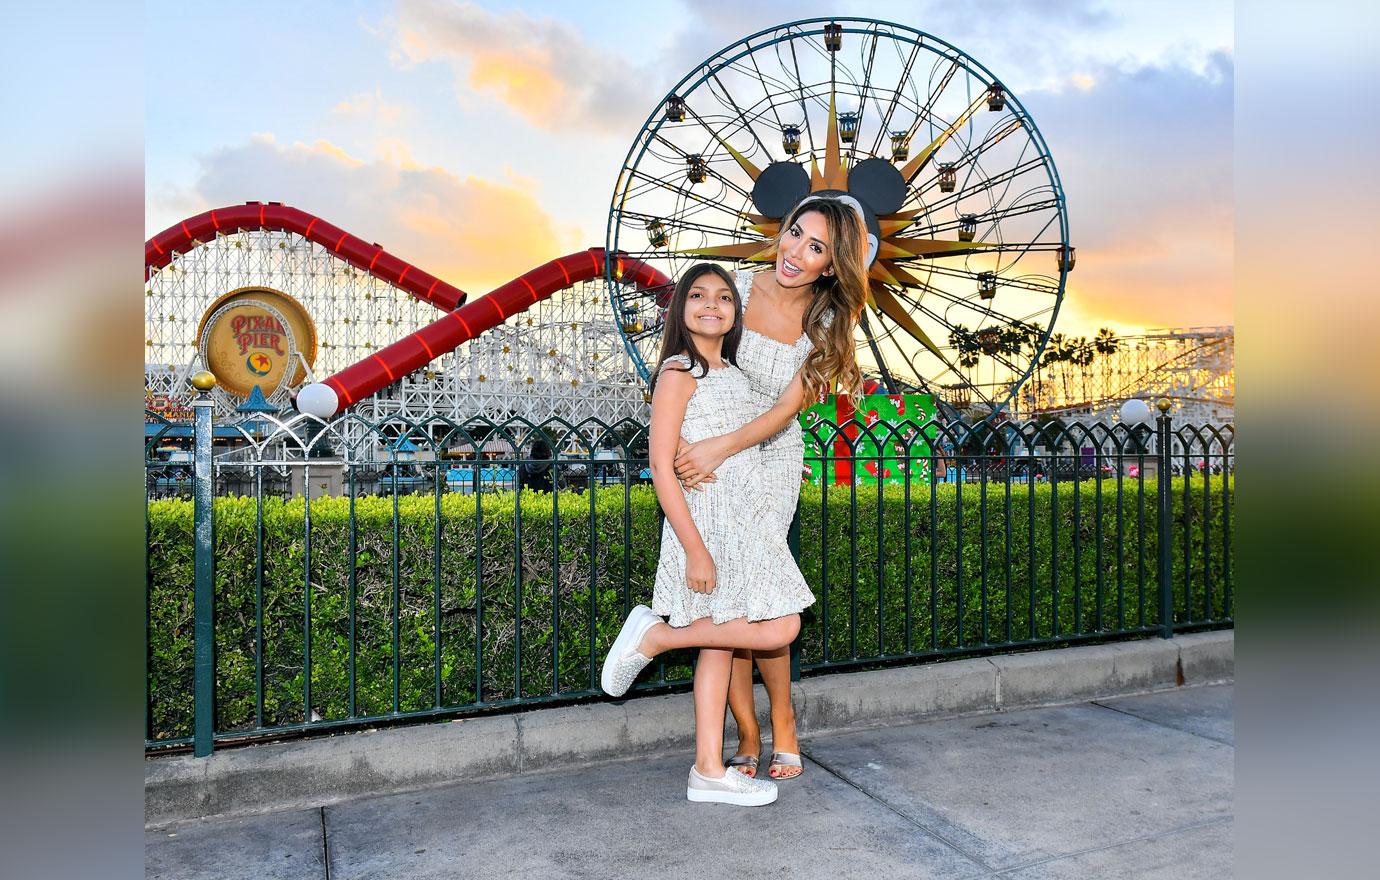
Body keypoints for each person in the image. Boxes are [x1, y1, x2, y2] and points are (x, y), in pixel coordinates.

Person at [600, 263, 815, 807]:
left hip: (741, 522)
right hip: (707, 528)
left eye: (724, 297)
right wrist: (694, 548)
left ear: (736, 310)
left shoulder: (734, 372)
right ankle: (656, 638)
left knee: (719, 645)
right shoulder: (678, 372)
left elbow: (761, 430)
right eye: (698, 296)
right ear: (680, 309)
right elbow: (660, 466)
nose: (712, 305)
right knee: (781, 624)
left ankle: (708, 769)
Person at [671, 195, 869, 780]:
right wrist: (692, 438)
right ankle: (747, 732)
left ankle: (782, 721)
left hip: (768, 458)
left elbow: (786, 409)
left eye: (816, 248)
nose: (796, 252)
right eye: (794, 232)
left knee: (765, 593)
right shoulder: (733, 287)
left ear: (830, 266)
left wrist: (721, 446)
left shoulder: (827, 322)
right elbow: (692, 359)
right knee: (728, 594)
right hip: (711, 450)